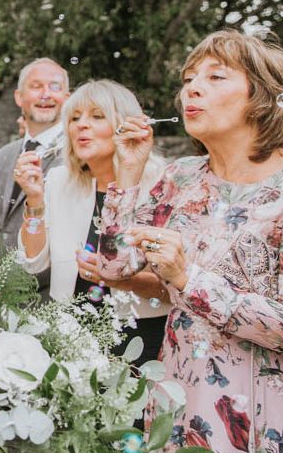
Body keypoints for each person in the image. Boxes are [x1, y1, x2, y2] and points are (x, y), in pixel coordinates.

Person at [99, 30, 283, 453]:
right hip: (177, 406)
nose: (191, 89)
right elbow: (114, 266)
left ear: (263, 97)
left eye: (215, 76)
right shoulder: (181, 178)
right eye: (188, 78)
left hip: (258, 414)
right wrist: (128, 171)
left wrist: (188, 278)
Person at [15, 80, 171, 367]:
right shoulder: (60, 181)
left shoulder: (161, 184)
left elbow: (172, 287)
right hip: (70, 334)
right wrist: (35, 199)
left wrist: (120, 278)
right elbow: (32, 263)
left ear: (127, 124)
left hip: (139, 336)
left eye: (96, 116)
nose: (81, 126)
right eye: (74, 118)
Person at [0, 57, 70, 301]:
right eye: (36, 86)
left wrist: (12, 281)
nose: (46, 94)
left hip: (43, 299)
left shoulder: (75, 157)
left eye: (55, 87)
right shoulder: (4, 155)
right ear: (18, 97)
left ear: (67, 98)